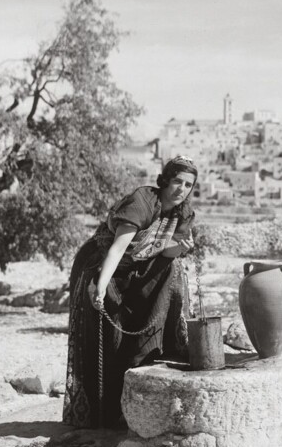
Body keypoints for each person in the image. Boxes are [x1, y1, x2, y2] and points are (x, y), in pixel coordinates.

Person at [63, 156, 198, 429]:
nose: (181, 189)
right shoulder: (143, 202)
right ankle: (100, 418)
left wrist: (180, 248)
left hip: (139, 268)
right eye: (176, 182)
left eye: (187, 185)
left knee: (172, 272)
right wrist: (99, 286)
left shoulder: (182, 213)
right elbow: (117, 249)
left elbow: (167, 252)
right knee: (105, 337)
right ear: (165, 181)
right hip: (103, 266)